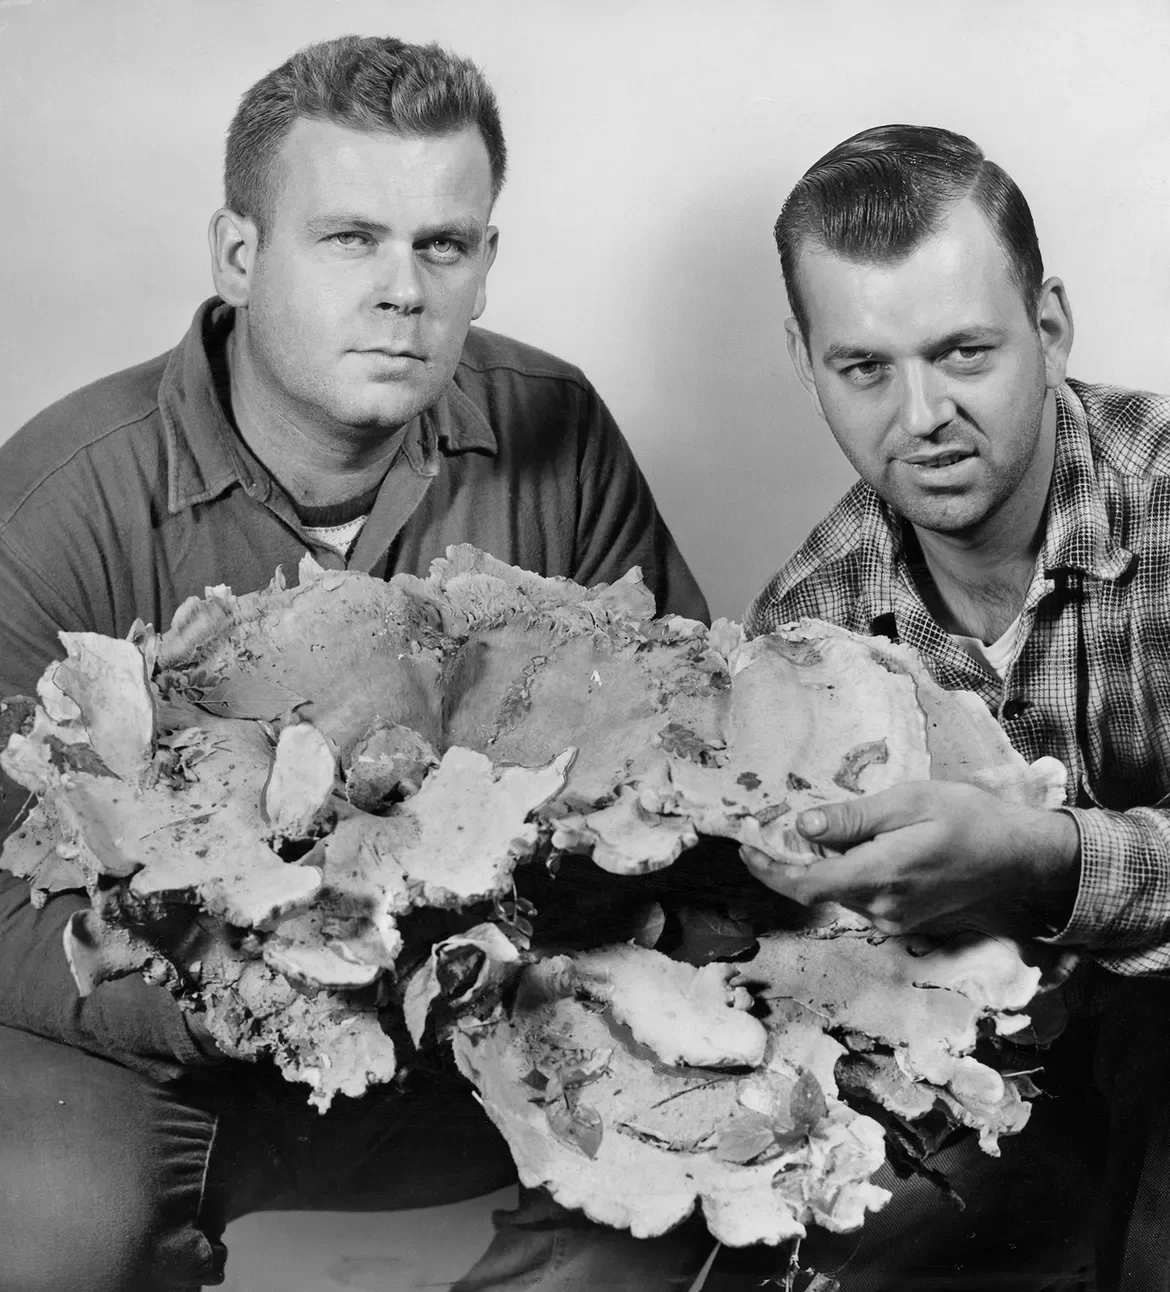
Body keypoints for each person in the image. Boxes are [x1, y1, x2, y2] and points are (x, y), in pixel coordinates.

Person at [0, 35, 711, 1292]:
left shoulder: (563, 433)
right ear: (238, 253)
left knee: (669, 1221)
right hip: (163, 1065)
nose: (404, 289)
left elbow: (682, 763)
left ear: (486, 263)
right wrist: (227, 998)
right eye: (349, 239)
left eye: (443, 244)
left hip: (485, 1043)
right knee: (45, 1234)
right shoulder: (61, 498)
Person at [731, 123, 1170, 1291]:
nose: (922, 415)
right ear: (804, 358)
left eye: (965, 352)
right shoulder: (802, 631)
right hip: (991, 1084)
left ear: (1052, 324)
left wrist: (1039, 857)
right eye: (865, 368)